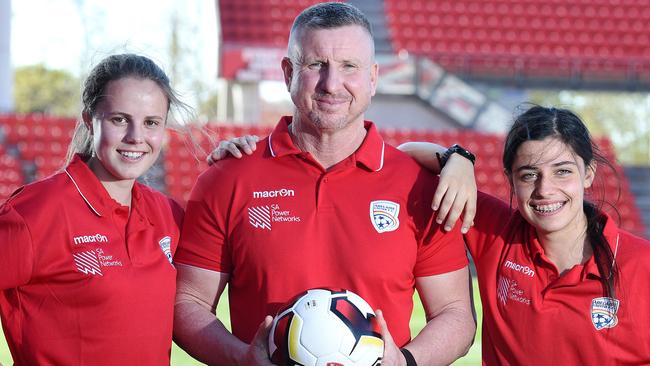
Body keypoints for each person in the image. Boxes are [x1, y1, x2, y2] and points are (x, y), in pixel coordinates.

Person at [215, 105, 650, 364]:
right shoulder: (494, 229)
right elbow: (404, 157)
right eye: (528, 174)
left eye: (563, 172)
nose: (545, 190)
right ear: (511, 180)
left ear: (589, 173)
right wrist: (457, 159)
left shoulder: (640, 266)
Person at [172, 3, 476, 366]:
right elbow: (187, 302)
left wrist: (407, 362)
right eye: (316, 65)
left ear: (373, 77)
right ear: (288, 73)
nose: (332, 84)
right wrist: (242, 360)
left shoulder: (421, 188)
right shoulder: (227, 179)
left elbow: (455, 312)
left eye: (349, 66)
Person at [0, 54, 188, 365]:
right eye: (119, 119)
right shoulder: (34, 214)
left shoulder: (167, 215)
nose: (136, 137)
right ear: (90, 120)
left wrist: (239, 162)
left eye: (151, 122)